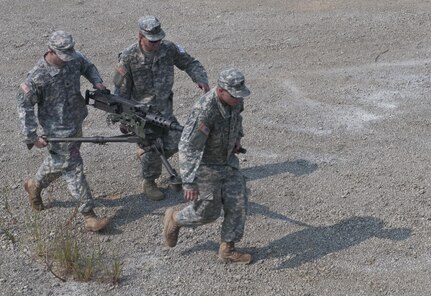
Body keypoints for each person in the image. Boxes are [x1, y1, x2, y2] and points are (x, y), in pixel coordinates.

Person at [16, 30, 110, 232]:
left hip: (75, 120)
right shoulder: (37, 77)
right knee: (73, 164)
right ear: (51, 51)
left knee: (61, 161)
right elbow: (24, 106)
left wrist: (96, 80)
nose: (68, 58)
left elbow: (88, 66)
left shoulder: (73, 58)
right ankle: (89, 214)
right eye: (62, 54)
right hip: (56, 129)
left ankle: (35, 185)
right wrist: (31, 136)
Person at [113, 15, 210, 201]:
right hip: (140, 115)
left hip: (164, 111)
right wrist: (123, 120)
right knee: (155, 145)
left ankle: (147, 152)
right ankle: (149, 181)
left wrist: (200, 78)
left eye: (159, 39)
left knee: (181, 140)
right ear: (140, 36)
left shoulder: (169, 49)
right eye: (152, 41)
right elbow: (119, 92)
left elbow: (190, 62)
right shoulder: (127, 57)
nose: (157, 44)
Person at [163, 68, 252, 264]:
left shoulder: (236, 99)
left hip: (227, 161)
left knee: (238, 202)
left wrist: (237, 137)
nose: (239, 98)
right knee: (207, 212)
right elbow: (188, 147)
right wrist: (189, 182)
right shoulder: (205, 111)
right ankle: (175, 219)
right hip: (206, 165)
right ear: (220, 91)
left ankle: (228, 249)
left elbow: (238, 118)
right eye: (234, 95)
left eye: (240, 94)